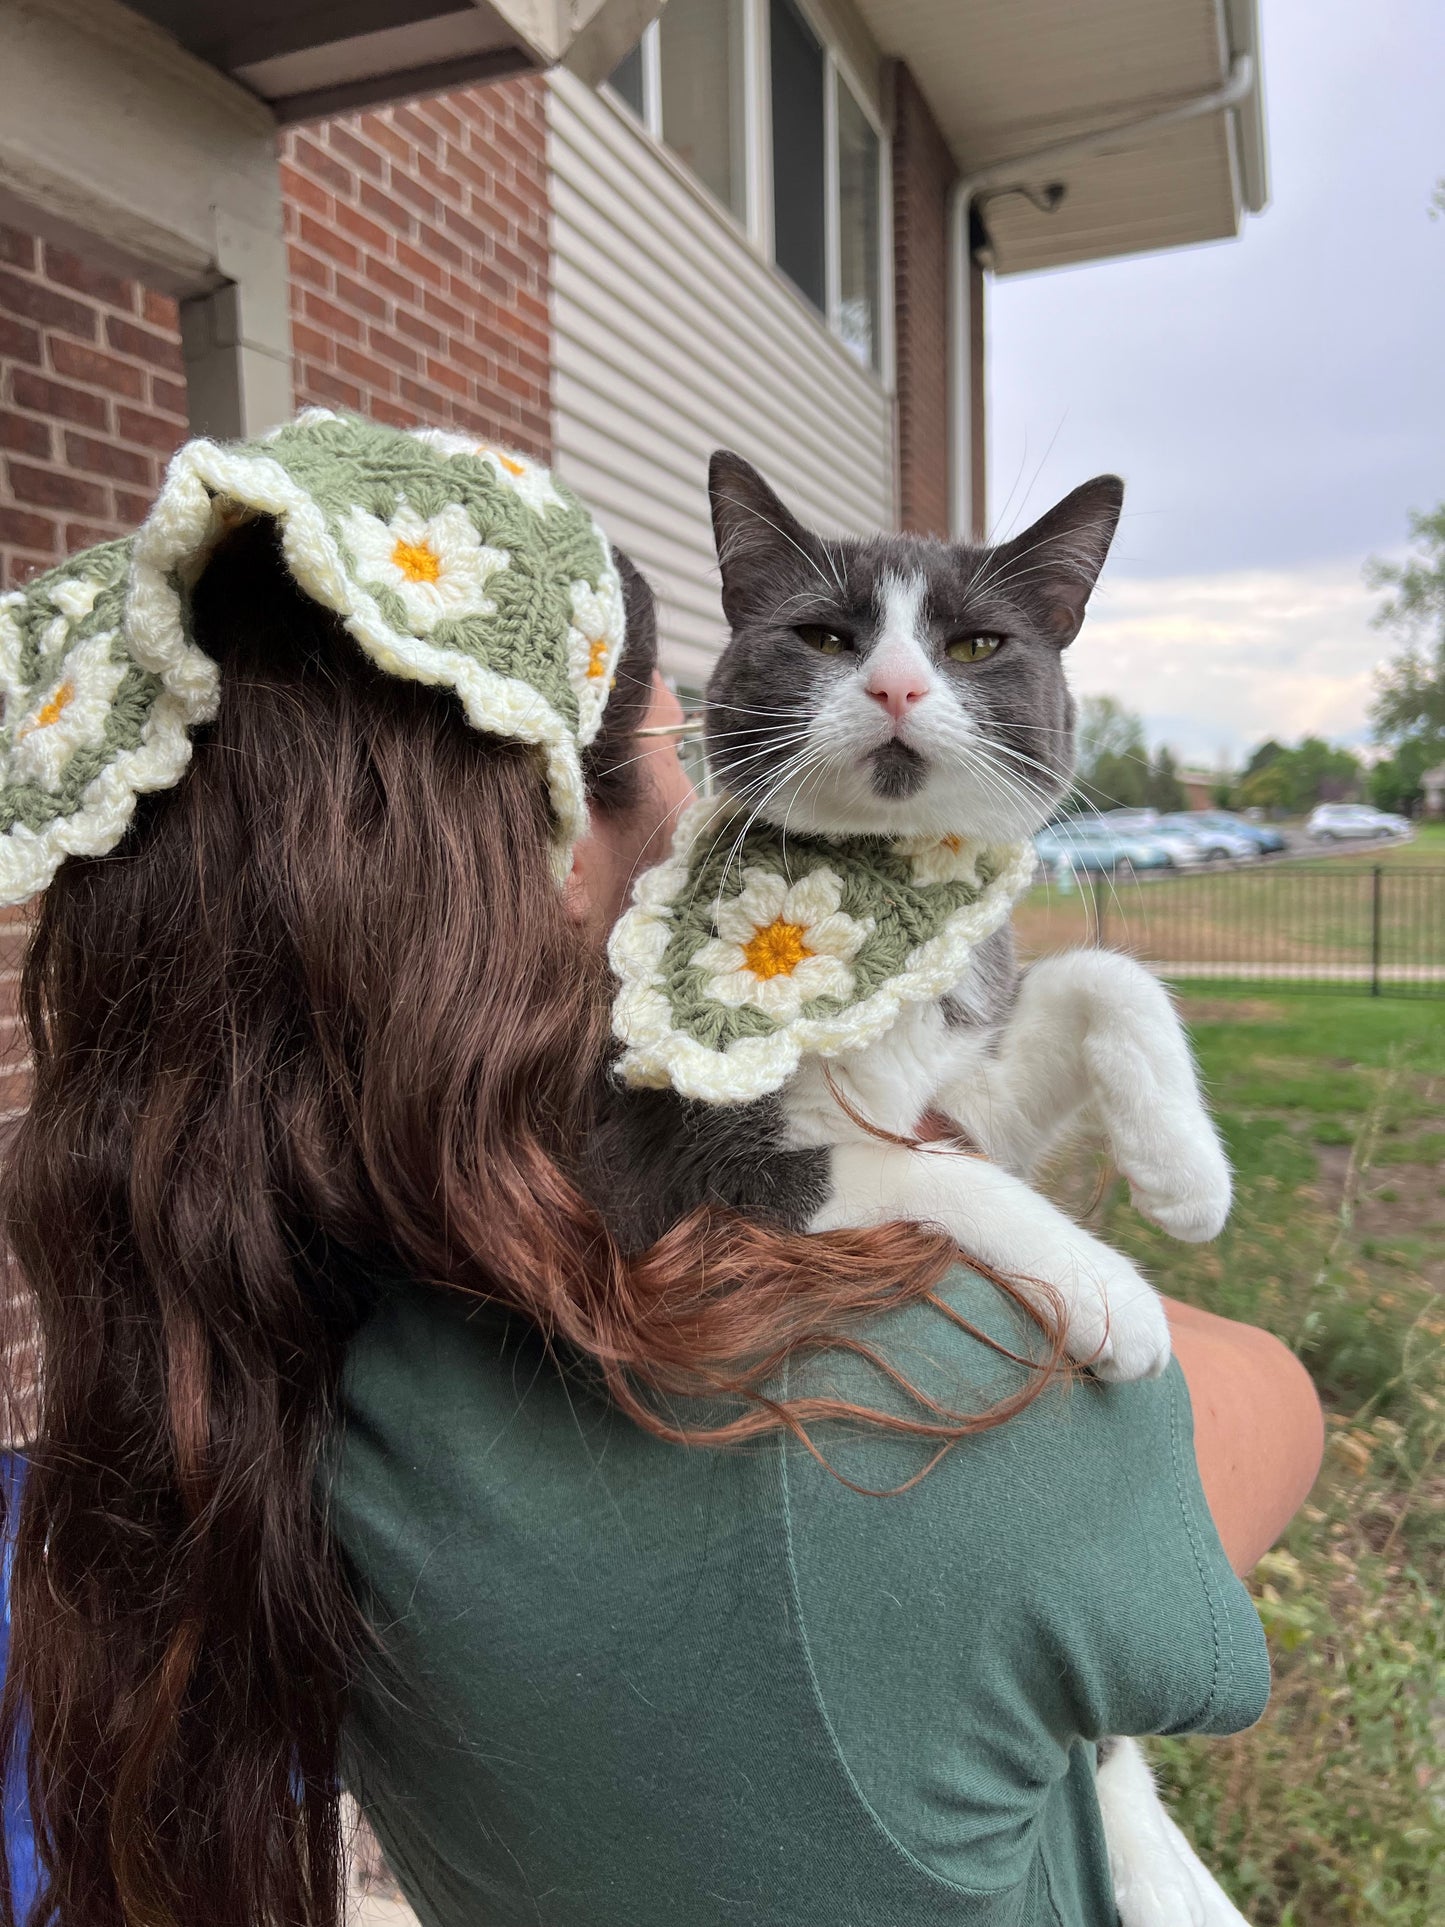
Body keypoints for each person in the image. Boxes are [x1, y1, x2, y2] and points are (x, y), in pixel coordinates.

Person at [0, 414, 1322, 1927]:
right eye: (670, 749)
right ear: (567, 855)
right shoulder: (884, 1417)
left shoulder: (257, 1370)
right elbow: (1259, 1405)